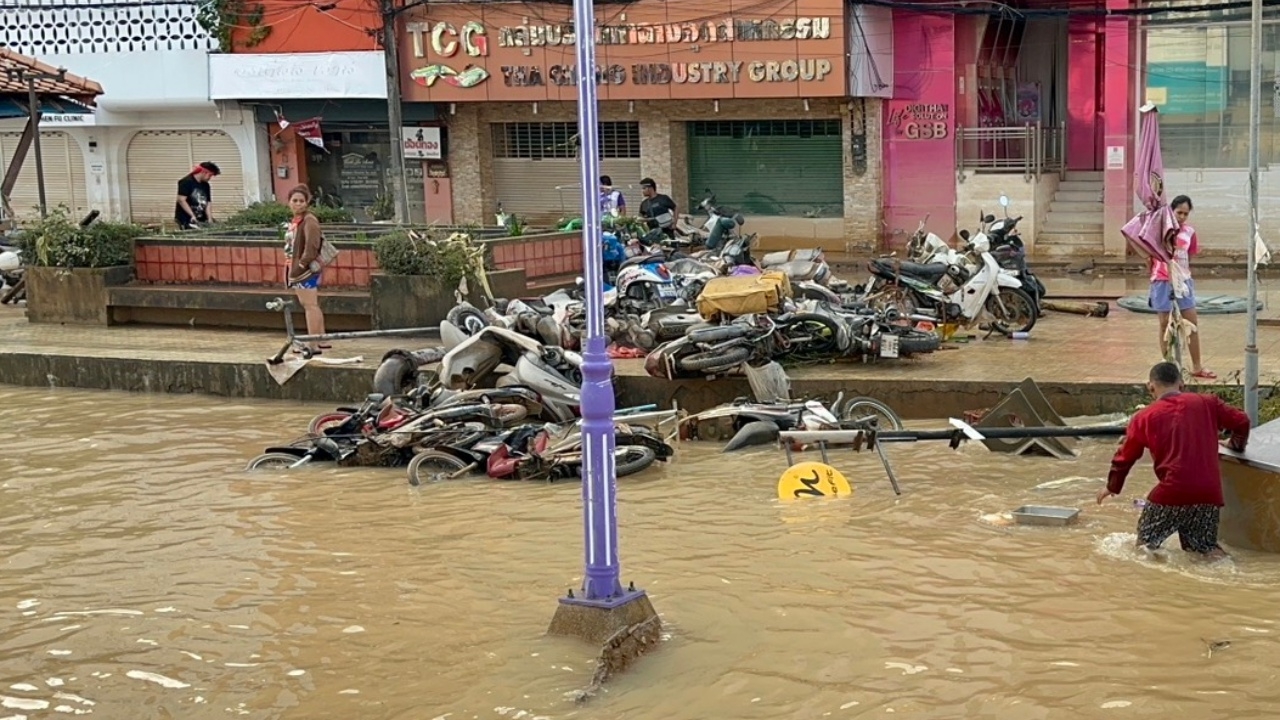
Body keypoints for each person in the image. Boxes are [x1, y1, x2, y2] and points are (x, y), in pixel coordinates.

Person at [1097, 361, 1250, 560]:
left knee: (1144, 547)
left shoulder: (1143, 418)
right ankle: (1234, 576)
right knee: (1206, 550)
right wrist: (1236, 444)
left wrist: (1112, 487)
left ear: (1150, 387)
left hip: (1170, 493)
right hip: (1208, 495)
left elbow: (1124, 458)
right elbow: (1242, 421)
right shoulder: (1208, 403)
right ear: (1182, 384)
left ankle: (1158, 587)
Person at [1149, 195, 1215, 379]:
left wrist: (1184, 274)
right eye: (1179, 213)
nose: (1182, 217)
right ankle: (1169, 369)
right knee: (1164, 324)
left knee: (1191, 323)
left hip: (1183, 281)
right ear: (1172, 211)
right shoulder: (1160, 230)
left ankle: (1197, 366)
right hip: (1161, 280)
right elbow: (1149, 254)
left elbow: (1189, 256)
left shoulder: (1189, 232)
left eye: (1186, 214)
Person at [283, 185, 328, 354]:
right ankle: (322, 339)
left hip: (305, 270)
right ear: (289, 202)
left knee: (310, 305)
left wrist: (301, 264)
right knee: (311, 304)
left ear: (307, 202)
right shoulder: (297, 220)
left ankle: (313, 343)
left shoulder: (309, 220)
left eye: (301, 201)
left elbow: (312, 245)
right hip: (297, 267)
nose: (298, 204)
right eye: (294, 201)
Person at [175, 161, 221, 230]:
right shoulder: (186, 182)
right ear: (204, 172)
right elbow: (181, 200)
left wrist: (209, 218)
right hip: (187, 218)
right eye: (210, 175)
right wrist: (192, 215)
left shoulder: (206, 185)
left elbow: (208, 202)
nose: (210, 178)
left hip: (201, 217)